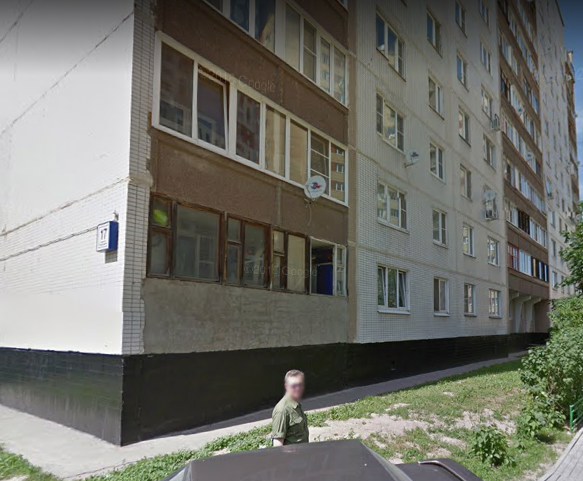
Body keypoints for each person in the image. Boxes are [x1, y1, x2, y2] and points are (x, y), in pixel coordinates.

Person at [271, 370, 309, 446]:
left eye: (300, 385)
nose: (298, 389)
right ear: (286, 386)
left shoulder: (295, 404)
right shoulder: (282, 410)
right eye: (294, 386)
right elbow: (278, 444)